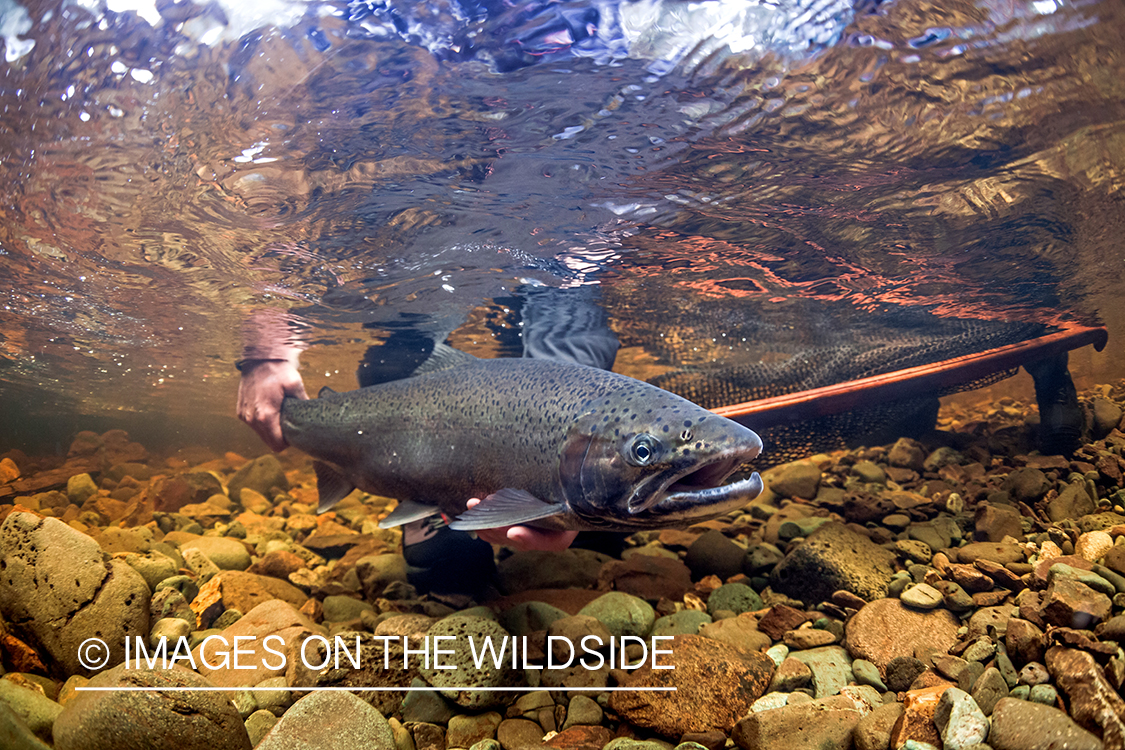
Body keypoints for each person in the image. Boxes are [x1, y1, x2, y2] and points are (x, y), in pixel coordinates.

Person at [237, 286, 620, 593]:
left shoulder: (581, 228)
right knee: (450, 570)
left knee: (607, 538)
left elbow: (569, 347)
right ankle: (423, 500)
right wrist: (264, 354)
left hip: (555, 300)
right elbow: (278, 252)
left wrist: (559, 478)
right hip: (403, 300)